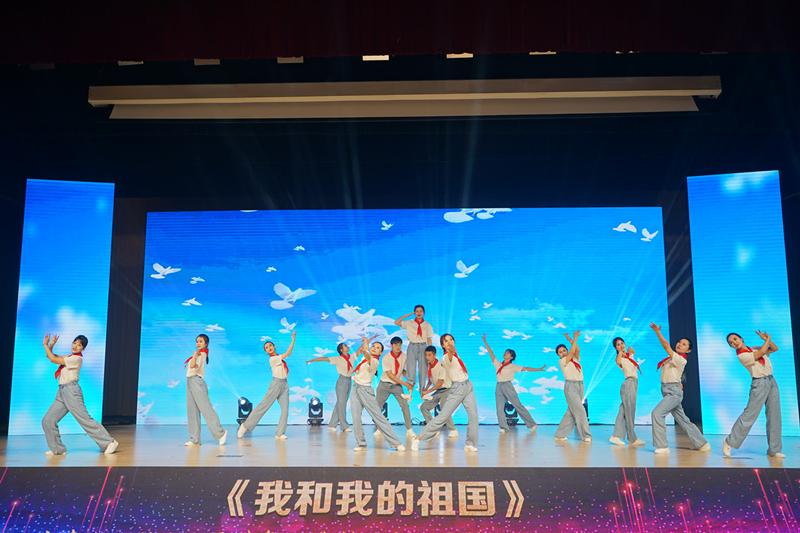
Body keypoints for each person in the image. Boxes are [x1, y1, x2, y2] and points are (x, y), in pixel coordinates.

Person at [41, 333, 119, 456]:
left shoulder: (76, 359)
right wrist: (51, 345)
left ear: (83, 348)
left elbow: (53, 359)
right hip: (61, 391)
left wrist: (45, 344)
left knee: (84, 418)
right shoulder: (68, 357)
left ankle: (109, 442)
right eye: (74, 343)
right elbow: (50, 355)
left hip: (71, 391)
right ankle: (58, 449)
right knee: (48, 420)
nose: (75, 346)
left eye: (79, 345)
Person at [649, 322, 710, 454]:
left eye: (684, 344)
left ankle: (663, 446)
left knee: (657, 414)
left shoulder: (680, 359)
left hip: (673, 393)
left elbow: (666, 345)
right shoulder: (672, 358)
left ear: (688, 350)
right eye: (680, 342)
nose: (680, 344)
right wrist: (678, 382)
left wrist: (657, 332)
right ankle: (702, 444)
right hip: (668, 390)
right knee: (683, 420)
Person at [413, 333, 479, 452]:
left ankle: (470, 444)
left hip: (468, 385)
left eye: (451, 339)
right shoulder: (446, 358)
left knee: (473, 415)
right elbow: (451, 352)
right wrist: (451, 348)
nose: (449, 342)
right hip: (457, 388)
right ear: (442, 345)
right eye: (446, 341)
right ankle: (418, 438)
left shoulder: (456, 356)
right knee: (443, 416)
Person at [723, 331, 783, 458]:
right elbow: (762, 352)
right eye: (731, 343)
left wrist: (766, 339)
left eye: (735, 339)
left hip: (771, 380)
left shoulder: (754, 348)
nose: (734, 343)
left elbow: (774, 349)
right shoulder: (742, 355)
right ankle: (729, 441)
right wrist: (768, 338)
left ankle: (774, 450)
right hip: (759, 383)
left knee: (774, 415)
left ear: (741, 338)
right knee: (750, 414)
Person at [349, 335, 406, 452]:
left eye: (378, 348)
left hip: (365, 390)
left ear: (381, 352)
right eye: (373, 346)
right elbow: (366, 351)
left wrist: (365, 349)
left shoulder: (374, 361)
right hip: (355, 389)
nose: (374, 348)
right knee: (355, 418)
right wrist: (366, 341)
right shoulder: (365, 358)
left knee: (378, 417)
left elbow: (367, 355)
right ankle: (361, 444)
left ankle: (396, 443)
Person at [238, 331, 297, 440]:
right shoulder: (273, 359)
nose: (269, 348)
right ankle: (245, 425)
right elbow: (288, 353)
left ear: (274, 346)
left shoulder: (279, 358)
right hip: (276, 384)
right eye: (266, 347)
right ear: (266, 351)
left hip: (285, 384)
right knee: (264, 406)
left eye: (270, 345)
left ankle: (279, 433)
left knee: (285, 410)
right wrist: (293, 340)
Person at [482, 334, 545, 433]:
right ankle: (504, 427)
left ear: (511, 357)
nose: (505, 353)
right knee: (499, 408)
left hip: (508, 386)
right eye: (505, 352)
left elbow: (526, 368)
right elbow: (491, 352)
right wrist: (485, 341)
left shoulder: (513, 366)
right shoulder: (498, 364)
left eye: (507, 353)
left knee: (518, 405)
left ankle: (532, 424)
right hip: (498, 386)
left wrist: (539, 369)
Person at [184, 333, 227, 446]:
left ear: (206, 343)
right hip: (190, 381)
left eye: (201, 341)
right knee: (192, 410)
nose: (198, 343)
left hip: (196, 382)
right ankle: (195, 439)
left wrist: (194, 355)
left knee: (206, 409)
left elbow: (193, 366)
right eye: (197, 341)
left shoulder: (202, 354)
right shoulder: (199, 353)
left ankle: (220, 433)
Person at [554, 330, 592, 442]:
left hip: (580, 385)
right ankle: (586, 435)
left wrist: (570, 340)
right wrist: (575, 338)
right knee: (581, 411)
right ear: (558, 355)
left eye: (564, 350)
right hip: (570, 386)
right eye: (560, 352)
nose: (563, 353)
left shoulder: (574, 359)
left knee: (571, 412)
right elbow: (571, 352)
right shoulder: (562, 361)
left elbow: (577, 350)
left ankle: (560, 435)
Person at [306, 342, 353, 433]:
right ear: (341, 350)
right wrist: (312, 360)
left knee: (340, 403)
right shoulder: (337, 358)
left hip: (349, 380)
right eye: (345, 346)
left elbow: (360, 351)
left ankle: (332, 424)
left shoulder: (351, 357)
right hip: (342, 381)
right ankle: (344, 426)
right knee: (342, 404)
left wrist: (367, 340)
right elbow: (324, 358)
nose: (347, 346)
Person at [375, 337, 416, 437]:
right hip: (384, 384)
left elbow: (403, 371)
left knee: (405, 405)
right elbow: (390, 375)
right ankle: (379, 429)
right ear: (391, 345)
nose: (398, 347)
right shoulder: (386, 358)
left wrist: (410, 380)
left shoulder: (404, 357)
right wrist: (405, 384)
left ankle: (409, 429)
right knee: (378, 407)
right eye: (395, 345)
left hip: (396, 386)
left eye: (399, 345)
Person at [609, 337, 644, 446]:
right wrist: (620, 352)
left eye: (622, 343)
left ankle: (630, 438)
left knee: (626, 410)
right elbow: (618, 362)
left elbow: (632, 350)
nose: (621, 345)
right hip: (628, 383)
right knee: (627, 411)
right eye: (618, 344)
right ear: (615, 347)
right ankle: (620, 437)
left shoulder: (629, 356)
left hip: (634, 383)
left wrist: (628, 350)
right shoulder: (620, 359)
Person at [419, 346, 458, 438]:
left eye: (429, 355)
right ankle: (433, 430)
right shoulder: (429, 366)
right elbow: (431, 381)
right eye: (426, 355)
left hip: (446, 390)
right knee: (424, 407)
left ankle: (453, 430)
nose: (427, 357)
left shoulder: (441, 366)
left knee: (444, 408)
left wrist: (428, 391)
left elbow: (439, 384)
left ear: (435, 355)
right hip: (438, 391)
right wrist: (425, 389)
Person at [395, 305, 433, 396]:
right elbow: (396, 322)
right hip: (412, 345)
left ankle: (422, 393)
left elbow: (429, 338)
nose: (419, 313)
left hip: (423, 346)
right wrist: (406, 316)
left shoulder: (427, 325)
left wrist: (430, 351)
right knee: (410, 368)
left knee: (423, 369)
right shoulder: (409, 323)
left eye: (421, 311)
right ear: (414, 313)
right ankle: (410, 392)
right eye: (417, 311)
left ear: (424, 313)